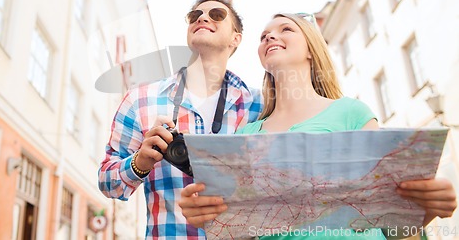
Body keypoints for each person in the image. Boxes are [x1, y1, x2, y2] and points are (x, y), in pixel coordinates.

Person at [179, 13, 457, 239]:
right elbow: (241, 234)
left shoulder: (352, 113)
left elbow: (392, 227)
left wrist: (427, 209)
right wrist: (209, 219)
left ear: (311, 49)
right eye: (263, 36)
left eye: (286, 29)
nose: (270, 37)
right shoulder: (245, 135)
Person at [98, 0, 262, 239]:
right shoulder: (140, 100)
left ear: (235, 38)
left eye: (217, 15)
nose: (203, 17)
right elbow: (107, 183)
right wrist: (139, 163)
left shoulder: (258, 105)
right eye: (195, 15)